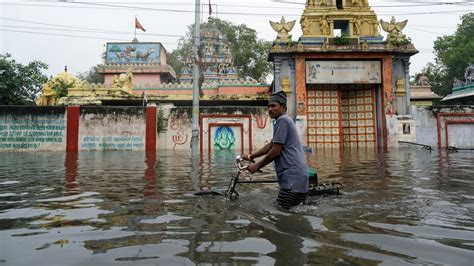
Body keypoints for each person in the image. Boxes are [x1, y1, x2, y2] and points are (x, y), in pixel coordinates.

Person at [242, 91, 309, 209]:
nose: (270, 109)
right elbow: (271, 145)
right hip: (298, 176)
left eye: (273, 106)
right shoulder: (283, 121)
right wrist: (250, 157)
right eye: (268, 106)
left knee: (280, 212)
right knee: (293, 213)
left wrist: (257, 166)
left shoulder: (283, 120)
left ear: (283, 107)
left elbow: (275, 151)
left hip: (292, 177)